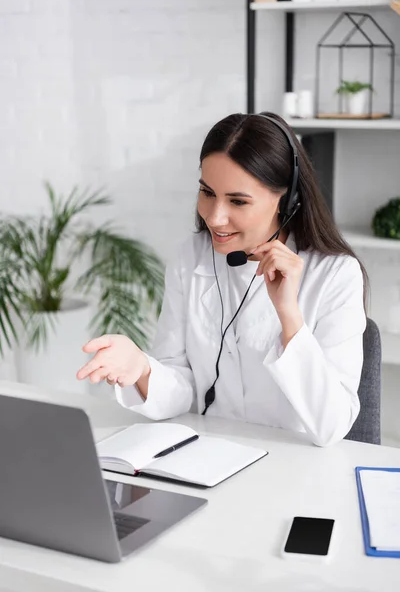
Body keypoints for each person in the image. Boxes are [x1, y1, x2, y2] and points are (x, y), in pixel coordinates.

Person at [77, 112, 367, 447]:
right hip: (207, 456)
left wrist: (289, 315)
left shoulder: (335, 275)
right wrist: (142, 369)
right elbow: (181, 387)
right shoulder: (190, 257)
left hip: (292, 467)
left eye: (238, 201)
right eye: (207, 192)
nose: (215, 217)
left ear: (285, 200)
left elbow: (331, 427)